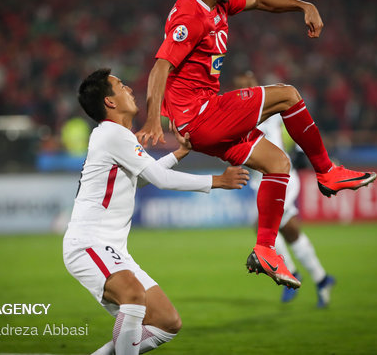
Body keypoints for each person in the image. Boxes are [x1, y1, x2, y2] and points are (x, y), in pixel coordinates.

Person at [136, 0, 376, 289]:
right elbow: (161, 66)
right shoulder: (190, 16)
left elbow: (262, 0)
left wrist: (303, 5)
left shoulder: (218, 4)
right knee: (288, 95)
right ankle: (327, 172)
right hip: (202, 115)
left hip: (204, 118)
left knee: (278, 164)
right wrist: (153, 118)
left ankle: (265, 249)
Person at [63, 68, 249, 355]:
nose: (130, 89)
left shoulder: (116, 136)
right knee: (133, 295)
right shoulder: (113, 134)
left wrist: (177, 155)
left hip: (111, 248)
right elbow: (160, 181)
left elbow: (140, 179)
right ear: (110, 102)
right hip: (89, 244)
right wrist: (216, 181)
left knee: (166, 322)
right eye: (121, 86)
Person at [235, 71, 335, 308]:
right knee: (291, 232)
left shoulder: (267, 109)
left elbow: (292, 117)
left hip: (283, 178)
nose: (244, 90)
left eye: (248, 84)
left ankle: (291, 272)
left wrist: (302, 150)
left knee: (262, 224)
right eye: (240, 87)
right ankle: (322, 279)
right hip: (262, 181)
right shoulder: (238, 115)